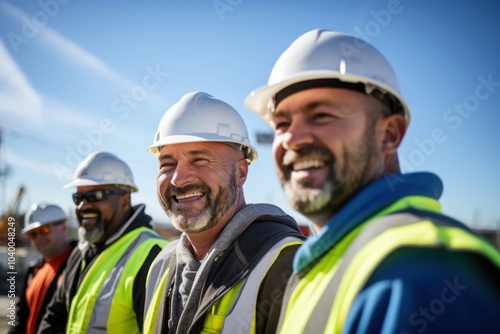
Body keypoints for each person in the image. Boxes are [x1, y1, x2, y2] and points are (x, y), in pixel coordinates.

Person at [245, 29, 500, 334]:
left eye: (322, 115)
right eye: (282, 123)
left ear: (389, 135)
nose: (292, 139)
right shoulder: (324, 263)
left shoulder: (420, 270)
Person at [143, 91, 305, 334]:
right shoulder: (161, 265)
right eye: (167, 164)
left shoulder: (287, 265)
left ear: (241, 173)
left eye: (199, 160)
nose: (178, 178)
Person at [38, 151, 167, 334]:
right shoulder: (81, 251)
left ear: (124, 200)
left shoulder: (152, 255)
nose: (83, 206)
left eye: (95, 196)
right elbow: (56, 317)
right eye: (78, 198)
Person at [9, 203, 76, 334]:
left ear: (63, 227)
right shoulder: (34, 270)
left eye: (45, 230)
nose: (39, 238)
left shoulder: (79, 266)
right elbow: (21, 317)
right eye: (33, 234)